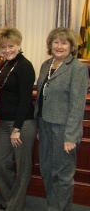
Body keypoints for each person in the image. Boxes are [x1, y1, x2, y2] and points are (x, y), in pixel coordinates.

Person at [35, 27, 88, 211]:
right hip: (45, 125)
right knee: (47, 170)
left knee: (63, 175)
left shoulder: (77, 69)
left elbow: (77, 105)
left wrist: (70, 137)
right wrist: (39, 127)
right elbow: (41, 97)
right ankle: (53, 206)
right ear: (50, 44)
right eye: (56, 42)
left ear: (71, 46)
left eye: (64, 42)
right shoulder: (45, 65)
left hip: (64, 130)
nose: (59, 46)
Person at [0, 26, 36, 211]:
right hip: (4, 123)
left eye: (11, 46)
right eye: (4, 47)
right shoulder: (5, 64)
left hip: (22, 124)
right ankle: (12, 199)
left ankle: (14, 206)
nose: (7, 50)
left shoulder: (25, 66)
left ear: (19, 45)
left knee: (22, 167)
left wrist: (17, 129)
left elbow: (26, 100)